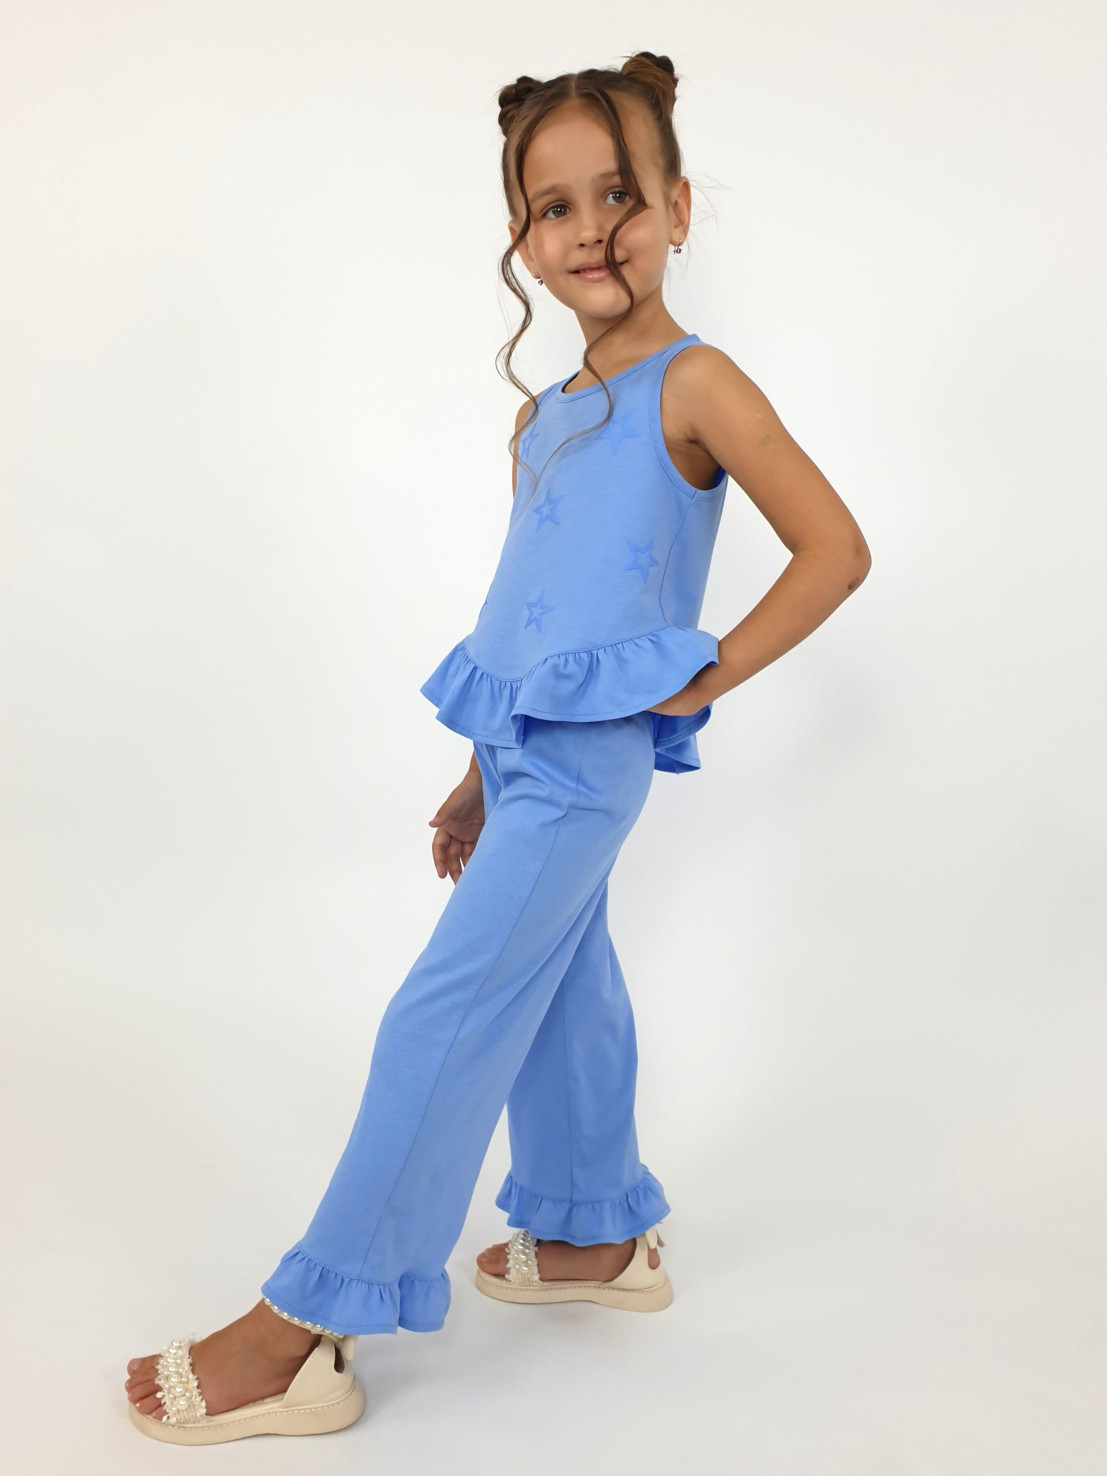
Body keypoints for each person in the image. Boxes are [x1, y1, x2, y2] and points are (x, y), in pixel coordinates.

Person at [124, 50, 871, 1444]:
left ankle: (308, 1325)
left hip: (592, 763)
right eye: (553, 207)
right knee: (563, 981)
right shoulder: (542, 418)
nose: (590, 231)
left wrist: (691, 682)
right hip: (524, 752)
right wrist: (477, 770)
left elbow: (834, 550)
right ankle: (593, 1230)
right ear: (523, 240)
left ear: (678, 207)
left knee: (448, 1009)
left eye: (619, 196)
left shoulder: (699, 385)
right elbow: (525, 607)